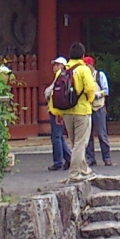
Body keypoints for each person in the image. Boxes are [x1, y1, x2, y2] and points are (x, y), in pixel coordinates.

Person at [49, 41, 96, 181]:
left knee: (75, 143)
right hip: (82, 110)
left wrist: (57, 112)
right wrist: (90, 99)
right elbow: (90, 88)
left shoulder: (62, 70)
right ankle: (74, 174)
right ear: (83, 55)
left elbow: (55, 92)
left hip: (67, 111)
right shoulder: (83, 70)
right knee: (80, 144)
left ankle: (85, 170)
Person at [83, 54, 114, 167]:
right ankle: (90, 158)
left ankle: (107, 157)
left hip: (99, 107)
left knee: (102, 134)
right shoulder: (84, 77)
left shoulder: (100, 75)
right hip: (87, 108)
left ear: (91, 65)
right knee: (88, 135)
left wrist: (96, 95)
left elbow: (106, 91)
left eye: (86, 65)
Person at [43, 56, 71, 171]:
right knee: (58, 136)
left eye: (57, 64)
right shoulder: (62, 77)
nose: (54, 67)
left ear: (62, 66)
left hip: (56, 110)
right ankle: (69, 158)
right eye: (54, 65)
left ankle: (58, 161)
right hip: (58, 110)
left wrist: (47, 93)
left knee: (56, 136)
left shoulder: (60, 76)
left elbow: (49, 91)